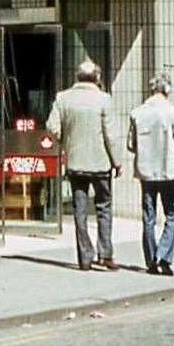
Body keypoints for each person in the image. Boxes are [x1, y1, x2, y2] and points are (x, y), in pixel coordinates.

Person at [46, 60, 122, 272]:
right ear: (97, 77)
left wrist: (66, 140)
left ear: (77, 76)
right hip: (101, 162)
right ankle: (105, 254)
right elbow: (111, 135)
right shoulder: (104, 99)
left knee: (80, 210)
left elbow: (52, 126)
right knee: (103, 207)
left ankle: (85, 257)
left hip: (75, 162)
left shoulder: (63, 98)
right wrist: (117, 161)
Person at [129, 72, 174, 276]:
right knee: (173, 214)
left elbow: (131, 144)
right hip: (169, 171)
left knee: (149, 216)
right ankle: (163, 256)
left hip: (146, 173)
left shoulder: (137, 113)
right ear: (167, 90)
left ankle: (150, 260)